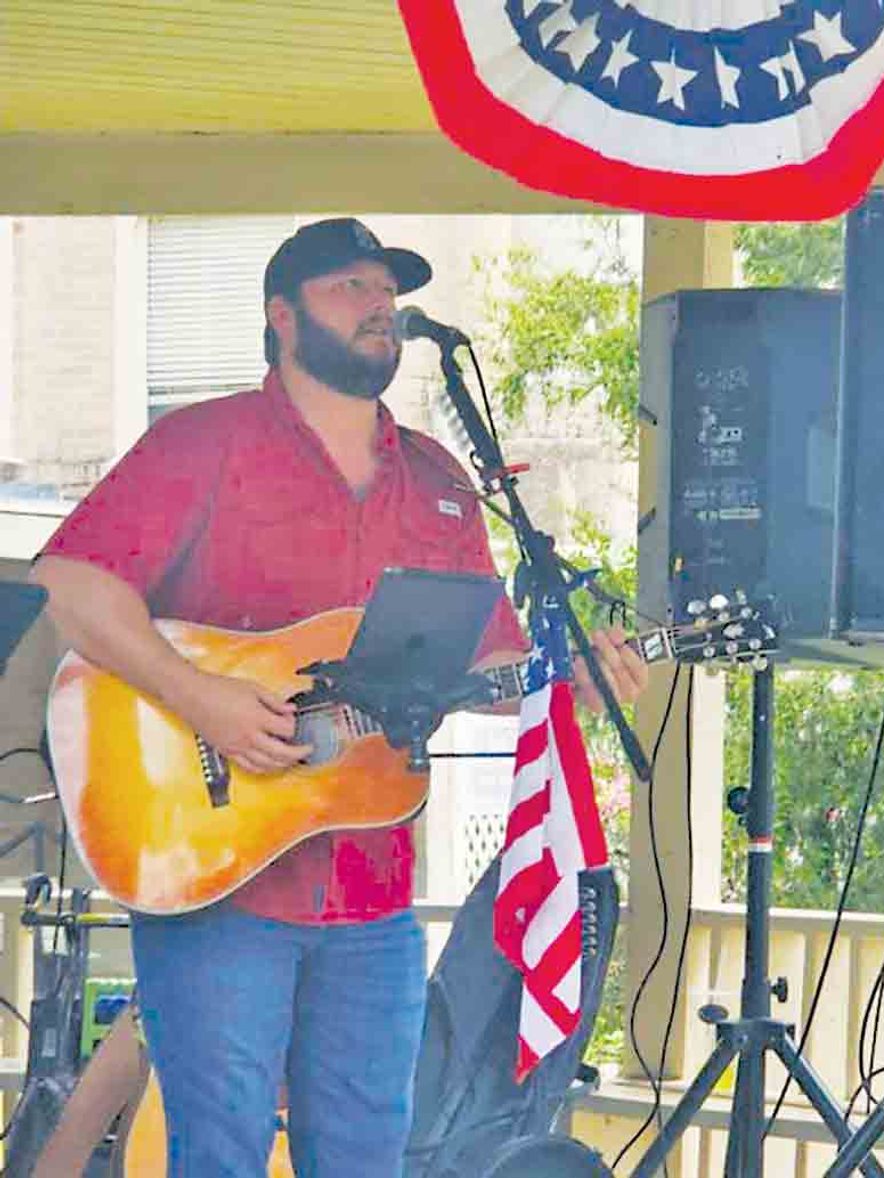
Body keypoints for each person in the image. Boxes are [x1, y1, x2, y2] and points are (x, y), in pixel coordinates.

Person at [30, 218, 648, 1177]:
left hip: (374, 895)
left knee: (366, 1162)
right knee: (221, 1158)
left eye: (387, 293)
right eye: (350, 288)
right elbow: (72, 584)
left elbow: (490, 668)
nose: (380, 308)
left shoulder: (443, 482)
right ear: (283, 316)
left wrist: (571, 676)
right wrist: (203, 700)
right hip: (217, 879)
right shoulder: (206, 443)